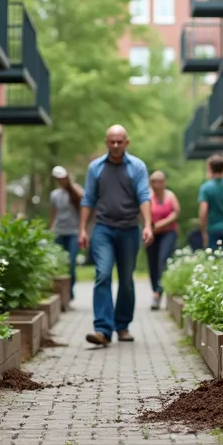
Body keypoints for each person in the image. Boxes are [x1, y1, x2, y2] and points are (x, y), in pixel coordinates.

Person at [80, 125, 153, 346]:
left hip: (129, 228)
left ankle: (122, 326)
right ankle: (102, 329)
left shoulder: (137, 167)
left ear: (126, 142)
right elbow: (88, 199)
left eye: (119, 141)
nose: (115, 145)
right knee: (102, 274)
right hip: (103, 228)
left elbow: (143, 196)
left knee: (126, 279)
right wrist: (82, 228)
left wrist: (148, 225)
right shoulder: (96, 168)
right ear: (106, 142)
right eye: (111, 141)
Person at [144, 170, 181, 310]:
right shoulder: (147, 196)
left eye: (159, 181)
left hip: (168, 233)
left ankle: (160, 290)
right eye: (153, 181)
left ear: (165, 182)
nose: (156, 184)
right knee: (152, 263)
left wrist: (161, 224)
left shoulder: (170, 196)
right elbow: (141, 212)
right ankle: (155, 292)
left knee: (163, 259)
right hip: (151, 234)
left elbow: (176, 213)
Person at [48, 165, 83, 301]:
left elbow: (85, 204)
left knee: (71, 263)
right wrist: (50, 229)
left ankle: (70, 290)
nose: (61, 181)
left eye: (64, 178)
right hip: (59, 232)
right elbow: (53, 213)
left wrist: (82, 230)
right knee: (59, 264)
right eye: (59, 179)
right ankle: (62, 294)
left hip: (73, 232)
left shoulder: (75, 191)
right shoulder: (54, 195)